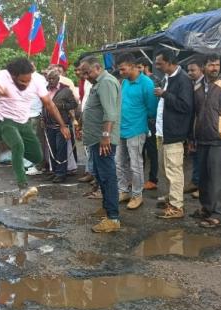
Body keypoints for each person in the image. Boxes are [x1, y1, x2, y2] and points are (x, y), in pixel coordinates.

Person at [0, 58, 71, 201]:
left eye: (28, 81)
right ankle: (23, 187)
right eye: (22, 82)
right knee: (18, 145)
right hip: (3, 121)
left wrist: (63, 125)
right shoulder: (3, 75)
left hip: (24, 122)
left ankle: (6, 146)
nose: (26, 84)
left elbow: (49, 104)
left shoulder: (38, 80)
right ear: (13, 76)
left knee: (37, 158)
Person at [191, 55, 221, 228]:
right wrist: (192, 137)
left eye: (217, 65)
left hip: (218, 138)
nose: (214, 68)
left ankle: (218, 213)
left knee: (216, 178)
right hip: (201, 137)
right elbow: (194, 113)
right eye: (211, 65)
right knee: (203, 177)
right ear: (204, 66)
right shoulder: (197, 85)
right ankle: (206, 208)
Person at [79, 56, 121, 232]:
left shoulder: (106, 82)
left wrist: (105, 136)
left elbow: (110, 112)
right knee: (101, 176)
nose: (85, 76)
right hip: (96, 139)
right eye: (83, 73)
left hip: (103, 140)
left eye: (87, 72)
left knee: (107, 177)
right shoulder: (98, 82)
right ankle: (108, 211)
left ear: (97, 68)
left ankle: (113, 219)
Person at [154, 50, 194, 219]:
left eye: (160, 63)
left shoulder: (183, 79)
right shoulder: (167, 78)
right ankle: (172, 197)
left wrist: (165, 94)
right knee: (165, 169)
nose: (157, 66)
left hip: (174, 133)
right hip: (162, 132)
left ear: (170, 62)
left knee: (174, 170)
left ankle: (177, 206)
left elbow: (185, 106)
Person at [115, 53, 158, 210]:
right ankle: (124, 191)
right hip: (121, 129)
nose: (121, 73)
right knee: (119, 163)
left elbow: (152, 108)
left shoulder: (146, 83)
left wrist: (140, 120)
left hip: (137, 129)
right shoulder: (124, 82)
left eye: (123, 69)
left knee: (136, 164)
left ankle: (137, 195)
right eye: (119, 70)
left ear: (133, 67)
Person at [44, 69, 78, 183]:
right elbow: (44, 105)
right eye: (48, 79)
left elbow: (74, 104)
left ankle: (61, 173)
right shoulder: (46, 89)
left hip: (62, 124)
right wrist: (42, 118)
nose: (50, 81)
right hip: (48, 124)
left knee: (61, 150)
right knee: (52, 150)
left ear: (58, 79)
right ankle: (54, 171)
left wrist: (62, 105)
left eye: (52, 79)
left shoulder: (66, 90)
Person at [136, 57, 160, 191]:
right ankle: (139, 179)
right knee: (140, 152)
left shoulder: (154, 80)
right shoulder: (135, 81)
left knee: (152, 152)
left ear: (145, 67)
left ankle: (153, 180)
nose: (138, 71)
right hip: (140, 122)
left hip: (152, 122)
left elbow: (154, 103)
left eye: (139, 67)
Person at [185, 58, 205, 199]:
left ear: (201, 69)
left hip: (203, 127)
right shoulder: (193, 84)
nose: (190, 73)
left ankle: (203, 187)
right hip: (193, 126)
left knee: (203, 158)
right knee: (195, 156)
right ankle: (195, 181)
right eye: (189, 70)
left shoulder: (205, 85)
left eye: (193, 70)